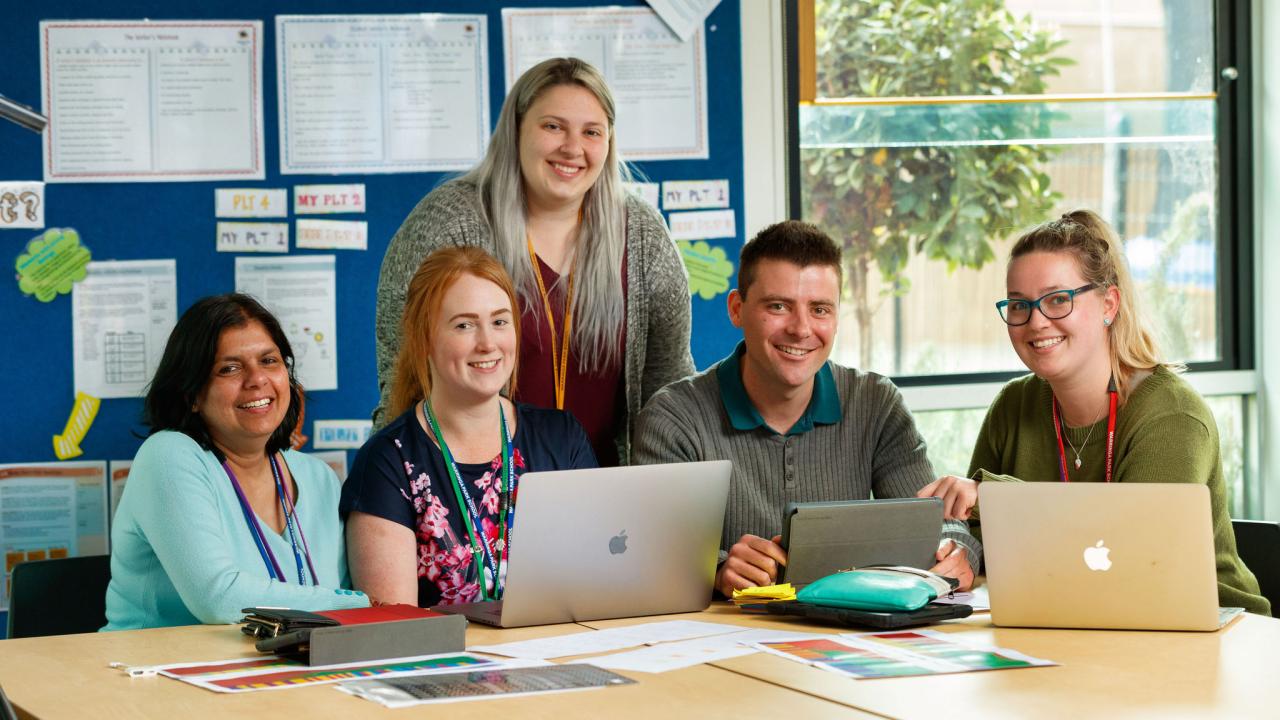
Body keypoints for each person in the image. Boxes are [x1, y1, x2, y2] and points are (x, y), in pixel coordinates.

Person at [917, 210, 1269, 616]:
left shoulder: (1172, 415)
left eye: (1057, 300)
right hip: (1069, 620)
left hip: (1206, 633)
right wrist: (962, 551)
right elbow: (980, 538)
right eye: (1018, 305)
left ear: (1108, 303)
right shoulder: (1013, 406)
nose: (1035, 321)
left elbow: (1134, 559)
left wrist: (993, 495)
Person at [633, 220, 981, 597]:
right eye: (779, 306)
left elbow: (935, 519)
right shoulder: (673, 417)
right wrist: (715, 570)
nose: (801, 329)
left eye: (819, 309)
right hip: (728, 640)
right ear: (737, 309)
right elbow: (652, 551)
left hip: (848, 633)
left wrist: (955, 551)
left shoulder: (876, 404)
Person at [375, 57, 694, 466]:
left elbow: (668, 388)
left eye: (592, 132)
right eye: (553, 126)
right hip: (470, 496)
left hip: (606, 495)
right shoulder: (447, 224)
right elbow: (401, 379)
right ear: (516, 130)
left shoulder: (643, 235)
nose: (572, 148)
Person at [344, 247, 597, 608]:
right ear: (424, 339)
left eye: (499, 321)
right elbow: (395, 631)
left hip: (558, 655)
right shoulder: (387, 463)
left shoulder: (563, 438)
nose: (488, 343)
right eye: (464, 325)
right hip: (446, 663)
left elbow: (597, 585)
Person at [104, 294, 368, 630]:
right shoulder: (169, 456)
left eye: (269, 361)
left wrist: (353, 604)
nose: (257, 379)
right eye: (229, 368)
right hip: (147, 673)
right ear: (192, 395)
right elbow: (218, 598)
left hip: (278, 670)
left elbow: (340, 595)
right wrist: (363, 604)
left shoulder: (318, 478)